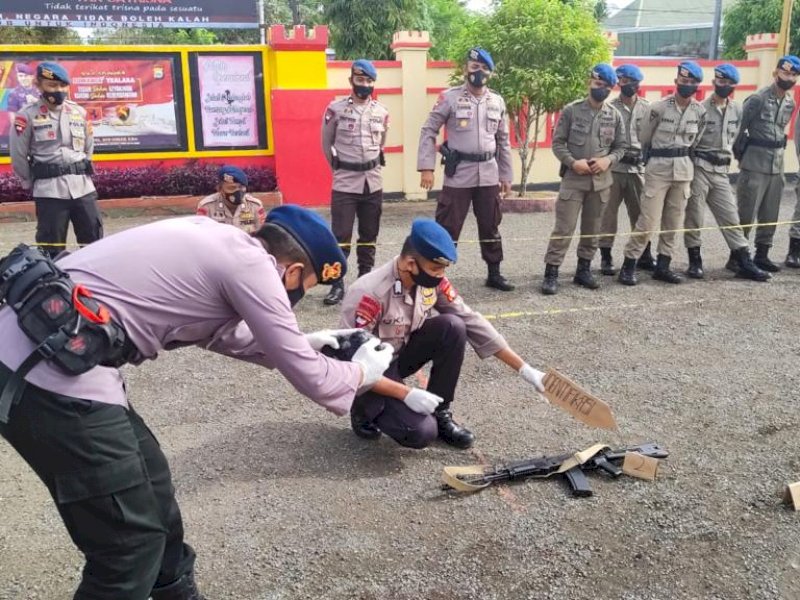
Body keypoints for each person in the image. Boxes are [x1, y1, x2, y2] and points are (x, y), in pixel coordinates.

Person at [0, 205, 441, 599]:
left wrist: (307, 341)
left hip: (50, 351)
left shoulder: (217, 237)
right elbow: (314, 381)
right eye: (303, 285)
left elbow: (218, 329)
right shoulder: (252, 267)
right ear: (291, 272)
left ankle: (176, 591)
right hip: (48, 377)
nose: (296, 296)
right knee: (127, 546)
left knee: (152, 483)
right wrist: (362, 371)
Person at [339, 218, 547, 450]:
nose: (440, 276)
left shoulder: (430, 280)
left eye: (443, 270)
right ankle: (362, 408)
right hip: (369, 371)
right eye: (435, 269)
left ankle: (440, 411)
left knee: (453, 326)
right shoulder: (369, 292)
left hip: (401, 356)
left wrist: (524, 369)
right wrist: (406, 393)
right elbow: (351, 363)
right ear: (410, 263)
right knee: (421, 433)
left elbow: (471, 319)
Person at [417, 47, 516, 292]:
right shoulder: (449, 98)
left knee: (490, 225)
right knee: (448, 226)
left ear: (490, 73)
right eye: (474, 67)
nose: (478, 72)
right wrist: (426, 167)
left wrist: (506, 174)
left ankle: (494, 272)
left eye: (483, 69)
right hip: (459, 173)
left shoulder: (497, 101)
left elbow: (503, 140)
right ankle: (434, 277)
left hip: (489, 173)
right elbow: (429, 130)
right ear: (466, 69)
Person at [618, 61, 706, 286]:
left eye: (692, 82)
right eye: (684, 81)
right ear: (676, 81)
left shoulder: (699, 111)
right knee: (647, 220)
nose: (687, 85)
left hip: (684, 170)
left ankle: (663, 266)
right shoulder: (657, 108)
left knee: (673, 221)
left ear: (697, 85)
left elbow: (695, 142)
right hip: (658, 169)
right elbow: (644, 137)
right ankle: (629, 264)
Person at [541, 64, 625, 295]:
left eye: (607, 87)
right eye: (598, 85)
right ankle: (551, 273)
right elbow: (558, 143)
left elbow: (621, 147)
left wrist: (608, 161)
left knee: (593, 229)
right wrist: (571, 162)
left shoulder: (614, 115)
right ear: (590, 82)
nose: (602, 90)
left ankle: (583, 270)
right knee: (564, 228)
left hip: (601, 182)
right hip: (574, 179)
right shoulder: (572, 111)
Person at [682, 64, 769, 282]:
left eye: (728, 83)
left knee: (730, 216)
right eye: (720, 81)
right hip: (700, 167)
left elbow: (736, 136)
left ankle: (743, 261)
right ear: (714, 82)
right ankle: (695, 260)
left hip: (721, 171)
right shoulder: (700, 108)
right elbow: (690, 143)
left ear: (733, 86)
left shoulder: (737, 109)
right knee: (694, 215)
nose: (724, 86)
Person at [9, 61, 102, 260]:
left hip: (83, 189)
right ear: (39, 85)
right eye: (52, 86)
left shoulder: (79, 112)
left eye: (62, 86)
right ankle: (55, 289)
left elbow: (89, 147)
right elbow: (18, 155)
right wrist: (30, 182)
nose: (58, 90)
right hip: (49, 191)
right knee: (52, 250)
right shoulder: (26, 115)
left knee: (95, 244)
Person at [321, 59, 390, 306]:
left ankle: (364, 280)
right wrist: (340, 169)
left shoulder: (381, 112)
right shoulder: (335, 110)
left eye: (369, 81)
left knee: (369, 235)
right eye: (360, 80)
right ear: (351, 81)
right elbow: (325, 145)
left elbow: (381, 145)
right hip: (345, 184)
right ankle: (337, 284)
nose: (365, 85)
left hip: (373, 182)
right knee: (340, 236)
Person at [733, 55, 800, 273]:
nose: (788, 78)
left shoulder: (790, 102)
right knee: (746, 212)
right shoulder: (758, 98)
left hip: (776, 164)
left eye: (793, 75)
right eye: (785, 73)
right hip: (754, 163)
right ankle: (738, 256)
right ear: (776, 73)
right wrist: (741, 157)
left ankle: (762, 254)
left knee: (770, 213)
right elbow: (738, 129)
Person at [598, 64, 654, 276]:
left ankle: (644, 255)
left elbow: (652, 139)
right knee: (607, 215)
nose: (624, 85)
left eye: (627, 81)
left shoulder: (649, 109)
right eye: (621, 81)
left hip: (638, 170)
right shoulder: (609, 108)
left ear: (637, 84)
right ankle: (605, 256)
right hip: (614, 169)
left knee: (641, 214)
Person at [196, 165, 266, 233]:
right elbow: (201, 237)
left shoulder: (255, 206)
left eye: (241, 187)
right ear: (219, 189)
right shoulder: (207, 207)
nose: (238, 191)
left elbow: (262, 236)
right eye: (232, 188)